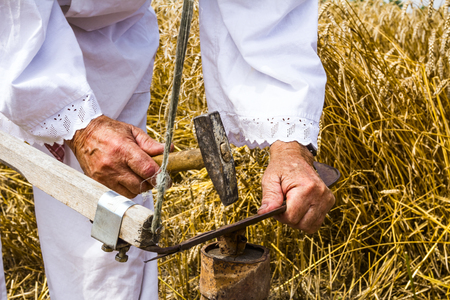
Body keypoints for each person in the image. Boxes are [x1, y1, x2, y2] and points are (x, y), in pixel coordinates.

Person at [0, 0, 335, 299]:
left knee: (104, 249)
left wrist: (290, 146)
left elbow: (263, 8)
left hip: (109, 36)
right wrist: (80, 127)